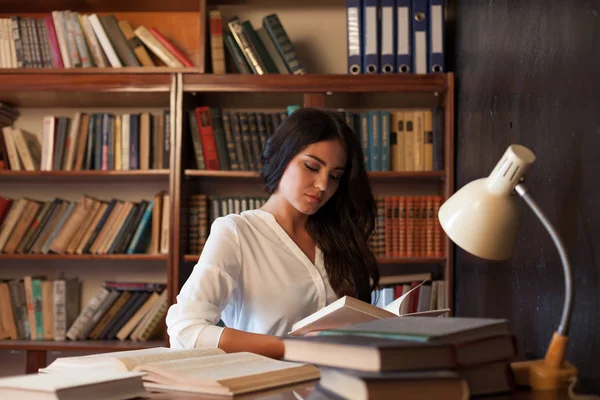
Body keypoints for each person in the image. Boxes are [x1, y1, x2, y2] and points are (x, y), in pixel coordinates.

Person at [165, 108, 379, 359]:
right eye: (311, 166)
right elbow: (185, 331)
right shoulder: (236, 233)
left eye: (334, 176)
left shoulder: (339, 237)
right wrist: (289, 347)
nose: (322, 185)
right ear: (282, 156)